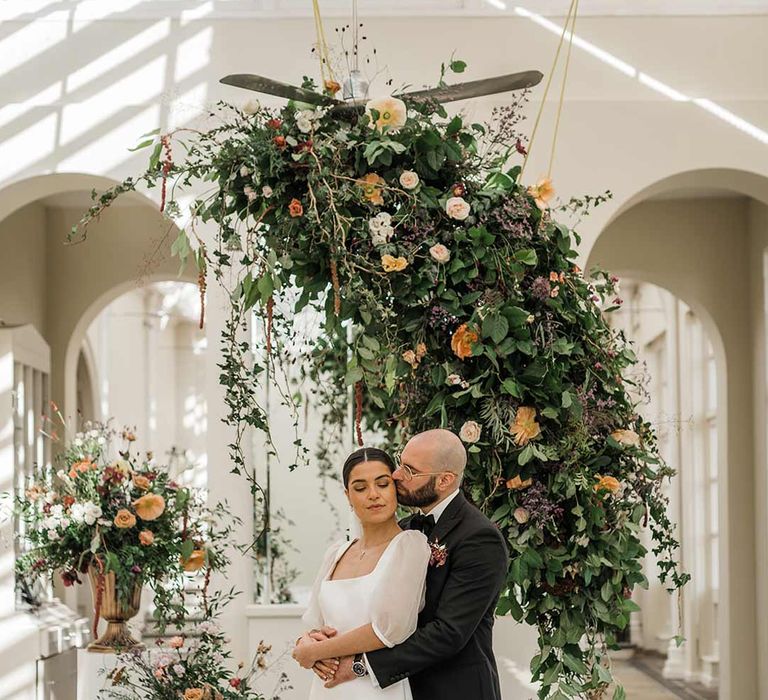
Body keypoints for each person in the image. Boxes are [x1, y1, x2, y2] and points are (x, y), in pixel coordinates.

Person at [294, 429, 509, 700]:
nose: (397, 475)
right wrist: (312, 641)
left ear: (444, 480)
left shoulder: (479, 538)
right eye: (400, 463)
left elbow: (448, 633)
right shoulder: (404, 533)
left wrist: (359, 665)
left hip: (451, 689)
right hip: (397, 687)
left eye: (410, 470)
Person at [293, 446, 431, 699]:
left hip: (377, 689)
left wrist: (314, 653)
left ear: (396, 488)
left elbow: (389, 629)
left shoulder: (410, 546)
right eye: (360, 488)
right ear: (348, 496)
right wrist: (306, 642)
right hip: (327, 690)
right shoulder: (336, 553)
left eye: (382, 484)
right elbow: (315, 623)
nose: (373, 495)